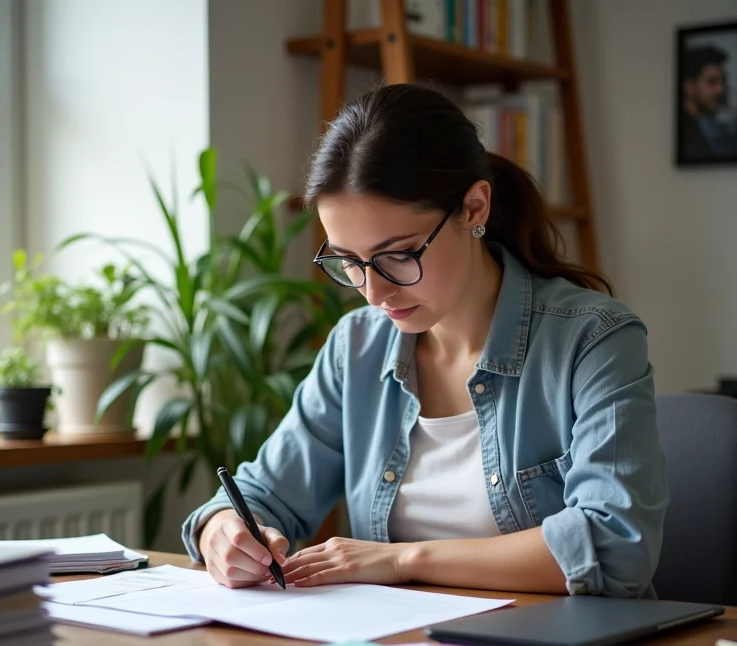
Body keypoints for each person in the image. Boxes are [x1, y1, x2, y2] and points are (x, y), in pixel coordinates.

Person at [182, 84, 668, 598]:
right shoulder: (358, 348)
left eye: (398, 254)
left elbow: (615, 544)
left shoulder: (593, 339)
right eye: (349, 261)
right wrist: (224, 532)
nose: (374, 292)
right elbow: (259, 495)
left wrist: (403, 560)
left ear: (474, 208)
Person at [679, 44, 728, 161]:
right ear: (689, 86)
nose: (720, 90)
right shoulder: (688, 137)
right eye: (711, 82)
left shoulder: (698, 128)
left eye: (722, 82)